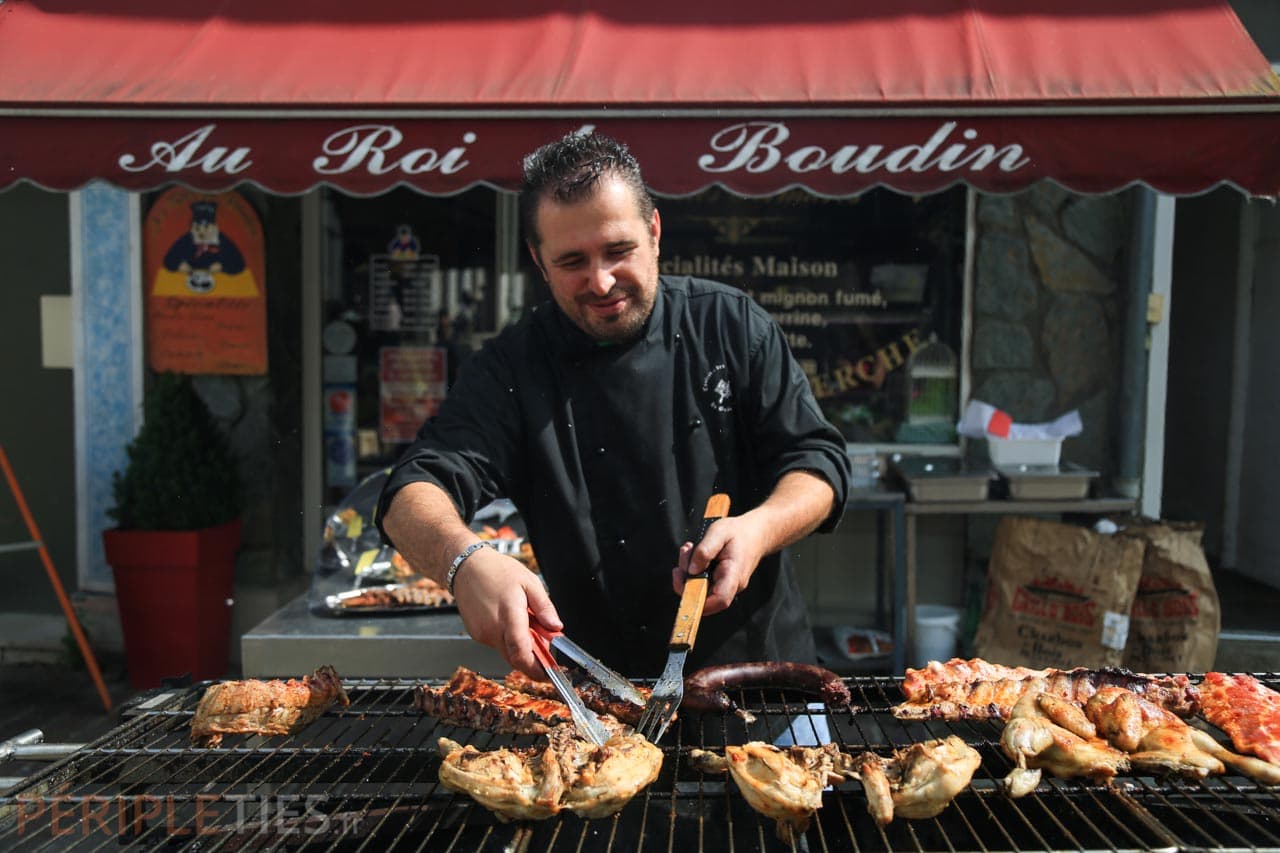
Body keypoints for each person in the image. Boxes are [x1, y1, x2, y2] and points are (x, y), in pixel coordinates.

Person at [377, 131, 851, 682]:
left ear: (653, 232)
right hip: (599, 703)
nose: (600, 281)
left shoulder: (728, 325)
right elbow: (410, 491)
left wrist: (759, 529)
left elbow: (818, 464)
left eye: (618, 251)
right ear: (539, 260)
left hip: (764, 682)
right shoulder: (512, 367)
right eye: (573, 260)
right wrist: (464, 562)